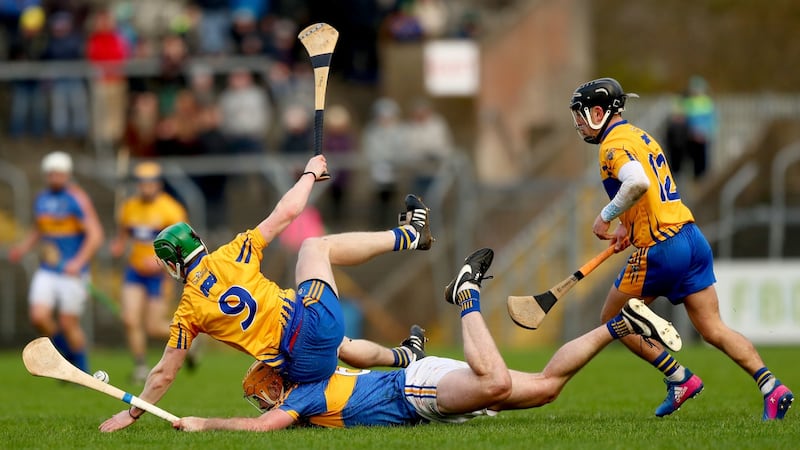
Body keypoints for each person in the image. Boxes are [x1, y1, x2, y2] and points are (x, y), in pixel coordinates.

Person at [169, 248, 681, 431]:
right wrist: (399, 351)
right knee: (546, 388)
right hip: (415, 380)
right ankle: (619, 326)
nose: (263, 400)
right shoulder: (319, 369)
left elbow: (262, 430)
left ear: (279, 383)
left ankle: (466, 296)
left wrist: (201, 423)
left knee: (497, 382)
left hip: (414, 391)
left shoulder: (301, 394)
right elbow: (356, 348)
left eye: (263, 390)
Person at [99, 154, 432, 432]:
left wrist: (132, 413)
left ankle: (405, 356)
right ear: (198, 241)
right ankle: (410, 235)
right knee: (316, 246)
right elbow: (286, 212)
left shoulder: (187, 311)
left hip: (300, 367)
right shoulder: (234, 252)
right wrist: (310, 174)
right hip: (314, 326)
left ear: (174, 266)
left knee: (339, 345)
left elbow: (163, 374)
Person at [568, 77, 793, 420]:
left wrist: (605, 217)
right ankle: (771, 387)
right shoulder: (641, 135)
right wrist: (628, 225)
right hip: (691, 238)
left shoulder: (611, 146)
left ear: (599, 112)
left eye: (582, 115)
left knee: (611, 319)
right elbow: (652, 190)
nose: (579, 123)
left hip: (661, 247)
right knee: (713, 328)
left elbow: (638, 182)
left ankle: (678, 377)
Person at [8, 151, 104, 374]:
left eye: (59, 174)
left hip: (72, 272)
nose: (55, 178)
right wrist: (23, 248)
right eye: (51, 174)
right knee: (38, 317)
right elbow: (39, 229)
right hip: (49, 270)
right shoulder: (41, 199)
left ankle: (82, 370)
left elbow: (96, 234)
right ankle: (65, 355)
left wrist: (78, 262)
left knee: (69, 323)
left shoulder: (76, 199)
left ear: (67, 175)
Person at [109, 161, 188, 383]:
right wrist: (118, 245)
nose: (145, 187)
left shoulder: (172, 210)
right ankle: (141, 366)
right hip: (134, 271)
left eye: (150, 183)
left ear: (158, 184)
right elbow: (124, 235)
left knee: (154, 326)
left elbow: (184, 247)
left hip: (161, 275)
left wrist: (161, 262)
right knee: (130, 319)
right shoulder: (128, 207)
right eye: (142, 183)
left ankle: (189, 340)